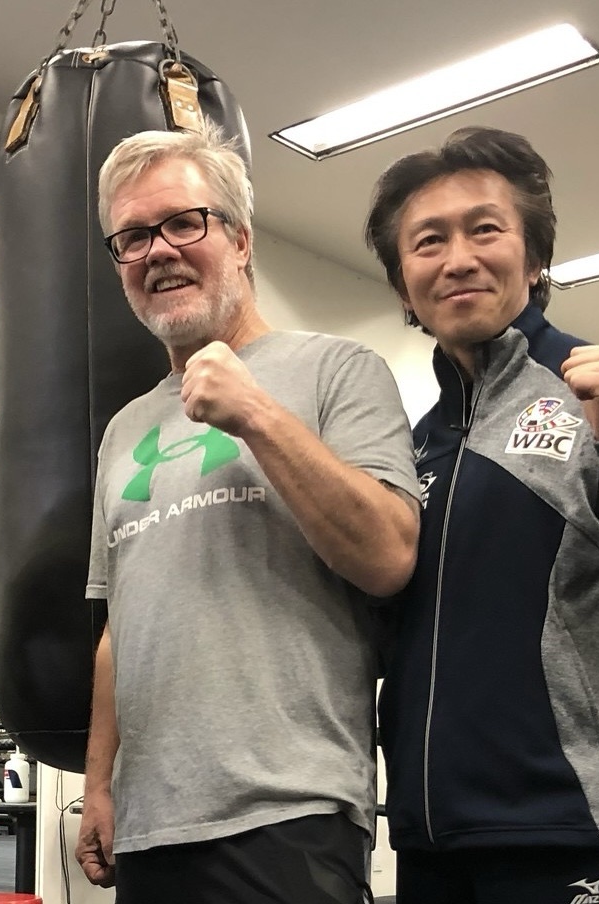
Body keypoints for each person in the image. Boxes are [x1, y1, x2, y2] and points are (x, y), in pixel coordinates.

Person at [364, 126, 599, 904]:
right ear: (404, 285)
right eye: (428, 241)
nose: (457, 258)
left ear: (533, 260)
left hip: (565, 829)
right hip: (430, 838)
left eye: (484, 229)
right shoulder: (417, 443)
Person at [74, 120, 421, 904]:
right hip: (151, 823)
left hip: (289, 809)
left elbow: (390, 556)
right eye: (133, 237)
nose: (158, 250)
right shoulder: (124, 430)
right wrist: (99, 783)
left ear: (240, 239)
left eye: (183, 223)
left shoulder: (338, 370)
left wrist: (257, 415)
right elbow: (119, 627)